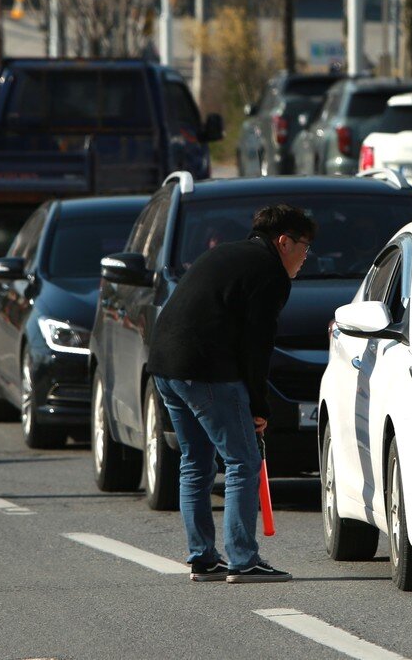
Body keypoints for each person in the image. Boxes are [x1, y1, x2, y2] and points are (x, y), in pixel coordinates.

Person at [147, 204, 316, 584]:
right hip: (206, 370)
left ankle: (203, 558)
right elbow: (257, 345)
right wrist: (260, 405)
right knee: (243, 461)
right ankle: (243, 559)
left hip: (165, 364)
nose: (306, 258)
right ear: (284, 242)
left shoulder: (223, 253)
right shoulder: (270, 273)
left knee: (196, 461)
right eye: (305, 248)